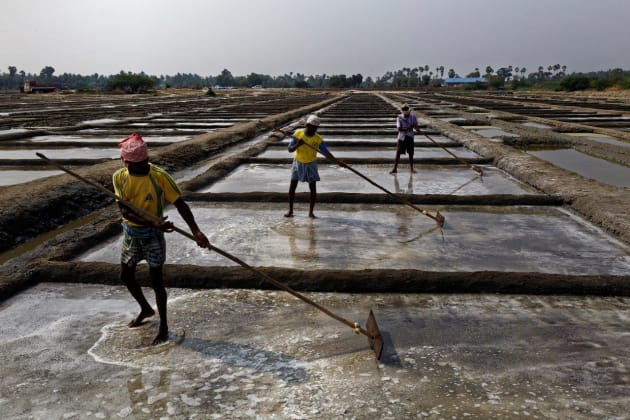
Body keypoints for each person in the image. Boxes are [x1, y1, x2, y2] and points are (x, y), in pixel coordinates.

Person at [113, 133, 210, 345]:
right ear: (126, 162)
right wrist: (153, 222)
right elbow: (125, 211)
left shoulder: (159, 177)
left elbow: (180, 204)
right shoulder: (120, 177)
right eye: (129, 164)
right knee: (126, 276)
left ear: (145, 161)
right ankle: (145, 309)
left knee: (156, 281)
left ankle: (164, 326)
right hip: (132, 233)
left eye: (136, 165)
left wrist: (196, 232)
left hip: (153, 237)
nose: (131, 168)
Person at [284, 114, 342, 218]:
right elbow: (290, 149)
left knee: (313, 188)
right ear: (307, 125)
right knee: (293, 186)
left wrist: (338, 162)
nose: (313, 129)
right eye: (312, 127)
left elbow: (326, 153)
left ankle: (311, 212)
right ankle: (290, 211)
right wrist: (298, 144)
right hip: (298, 162)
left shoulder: (318, 139)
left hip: (311, 163)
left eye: (316, 128)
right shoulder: (298, 133)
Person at [390, 104, 420, 174]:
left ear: (409, 111)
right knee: (398, 153)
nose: (407, 114)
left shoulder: (413, 117)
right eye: (405, 113)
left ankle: (412, 169)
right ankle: (394, 169)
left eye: (408, 112)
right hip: (401, 137)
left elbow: (416, 127)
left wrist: (416, 128)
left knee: (411, 153)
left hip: (410, 137)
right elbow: (399, 129)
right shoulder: (399, 117)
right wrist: (409, 128)